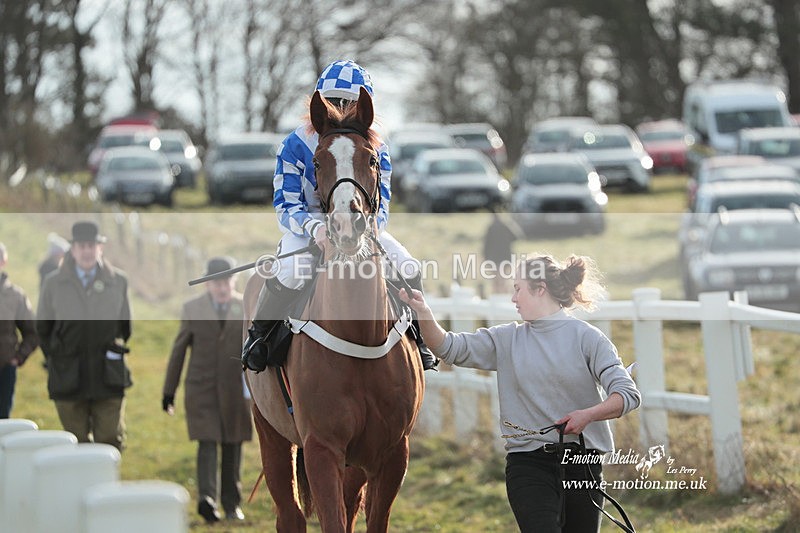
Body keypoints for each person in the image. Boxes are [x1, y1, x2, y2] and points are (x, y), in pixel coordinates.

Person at [399, 253, 641, 532]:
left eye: (518, 289)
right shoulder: (506, 339)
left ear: (540, 289)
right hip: (528, 465)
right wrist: (423, 312)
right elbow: (449, 347)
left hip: (582, 465)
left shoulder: (589, 339)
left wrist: (588, 415)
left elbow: (627, 395)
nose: (513, 298)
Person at [242, 59, 437, 373]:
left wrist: (365, 229)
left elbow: (382, 207)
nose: (342, 108)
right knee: (293, 268)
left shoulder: (378, 149)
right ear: (322, 102)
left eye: (350, 103)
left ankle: (421, 339)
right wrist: (317, 229)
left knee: (408, 265)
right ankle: (259, 338)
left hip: (359, 227)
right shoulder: (293, 145)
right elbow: (286, 205)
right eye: (334, 101)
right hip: (307, 229)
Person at [162, 257, 252, 524]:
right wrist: (169, 391)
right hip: (201, 388)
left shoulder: (245, 307)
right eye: (216, 282)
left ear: (234, 282)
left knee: (233, 444)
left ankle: (232, 504)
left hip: (237, 388)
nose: (222, 287)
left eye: (226, 281)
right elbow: (178, 352)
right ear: (207, 284)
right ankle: (207, 499)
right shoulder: (192, 309)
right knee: (207, 441)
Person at [37, 221, 132, 451]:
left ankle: (107, 486)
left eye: (92, 245)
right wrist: (59, 357)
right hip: (68, 377)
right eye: (82, 246)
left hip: (107, 376)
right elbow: (43, 329)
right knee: (75, 444)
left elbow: (125, 328)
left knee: (110, 442)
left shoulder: (118, 281)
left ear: (100, 248)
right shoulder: (53, 283)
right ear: (73, 249)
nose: (87, 251)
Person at [0, 242, 39, 418]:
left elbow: (33, 332)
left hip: (5, 370)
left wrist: (18, 357)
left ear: (3, 261)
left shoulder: (15, 296)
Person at [482, 209, 523, 294]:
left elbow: (486, 245)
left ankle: (497, 296)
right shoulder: (506, 226)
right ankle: (503, 296)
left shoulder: (491, 228)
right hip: (506, 257)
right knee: (503, 279)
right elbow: (516, 237)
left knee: (496, 280)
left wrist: (485, 258)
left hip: (494, 258)